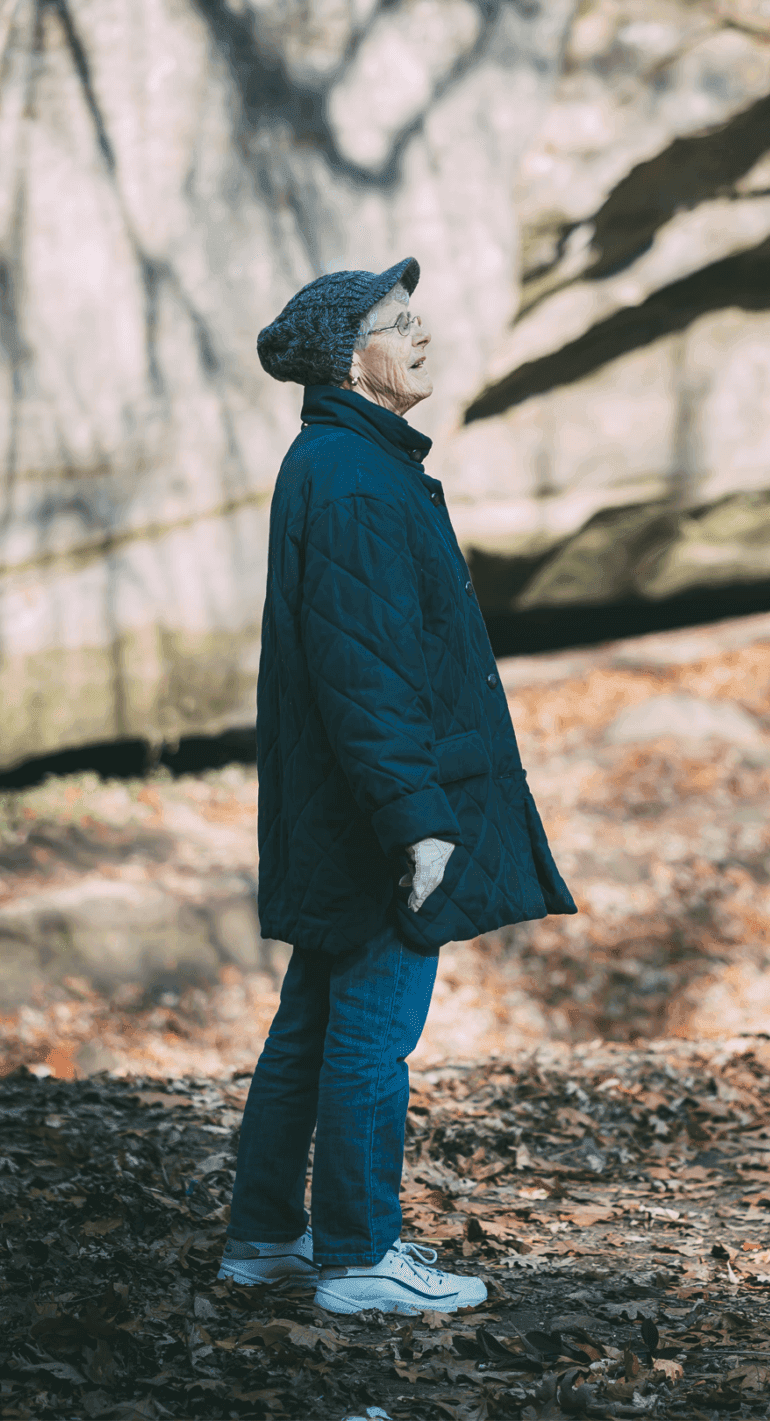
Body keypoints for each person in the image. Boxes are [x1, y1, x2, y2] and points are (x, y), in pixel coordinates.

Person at [217, 257, 576, 1315]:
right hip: (374, 817)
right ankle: (359, 1258)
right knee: (374, 1028)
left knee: (312, 1028)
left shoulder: (337, 460)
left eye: (418, 317)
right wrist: (417, 822)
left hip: (337, 809)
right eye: (398, 323)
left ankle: (264, 1244)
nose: (422, 336)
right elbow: (365, 673)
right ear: (346, 358)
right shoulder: (358, 478)